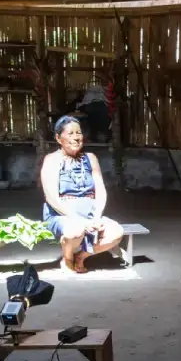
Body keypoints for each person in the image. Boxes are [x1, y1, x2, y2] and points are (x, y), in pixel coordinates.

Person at [41, 115, 124, 273]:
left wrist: (97, 216)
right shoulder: (51, 160)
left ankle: (82, 256)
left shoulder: (90, 158)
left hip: (89, 215)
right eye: (70, 134)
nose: (76, 138)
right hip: (62, 216)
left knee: (116, 232)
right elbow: (51, 197)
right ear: (59, 138)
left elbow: (100, 191)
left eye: (78, 133)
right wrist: (77, 219)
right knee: (75, 231)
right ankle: (67, 259)